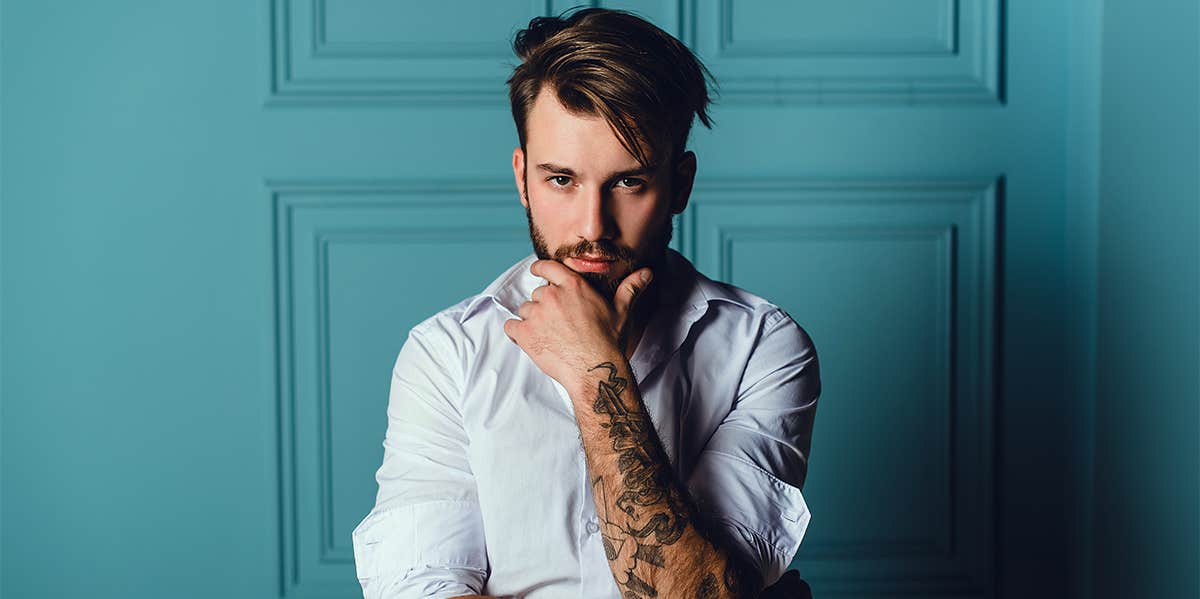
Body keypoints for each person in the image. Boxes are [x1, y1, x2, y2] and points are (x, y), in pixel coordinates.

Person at [351, 7, 821, 598]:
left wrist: (593, 369)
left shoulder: (762, 347)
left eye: (629, 182)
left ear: (681, 184)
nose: (593, 225)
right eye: (561, 180)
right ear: (523, 178)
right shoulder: (447, 354)